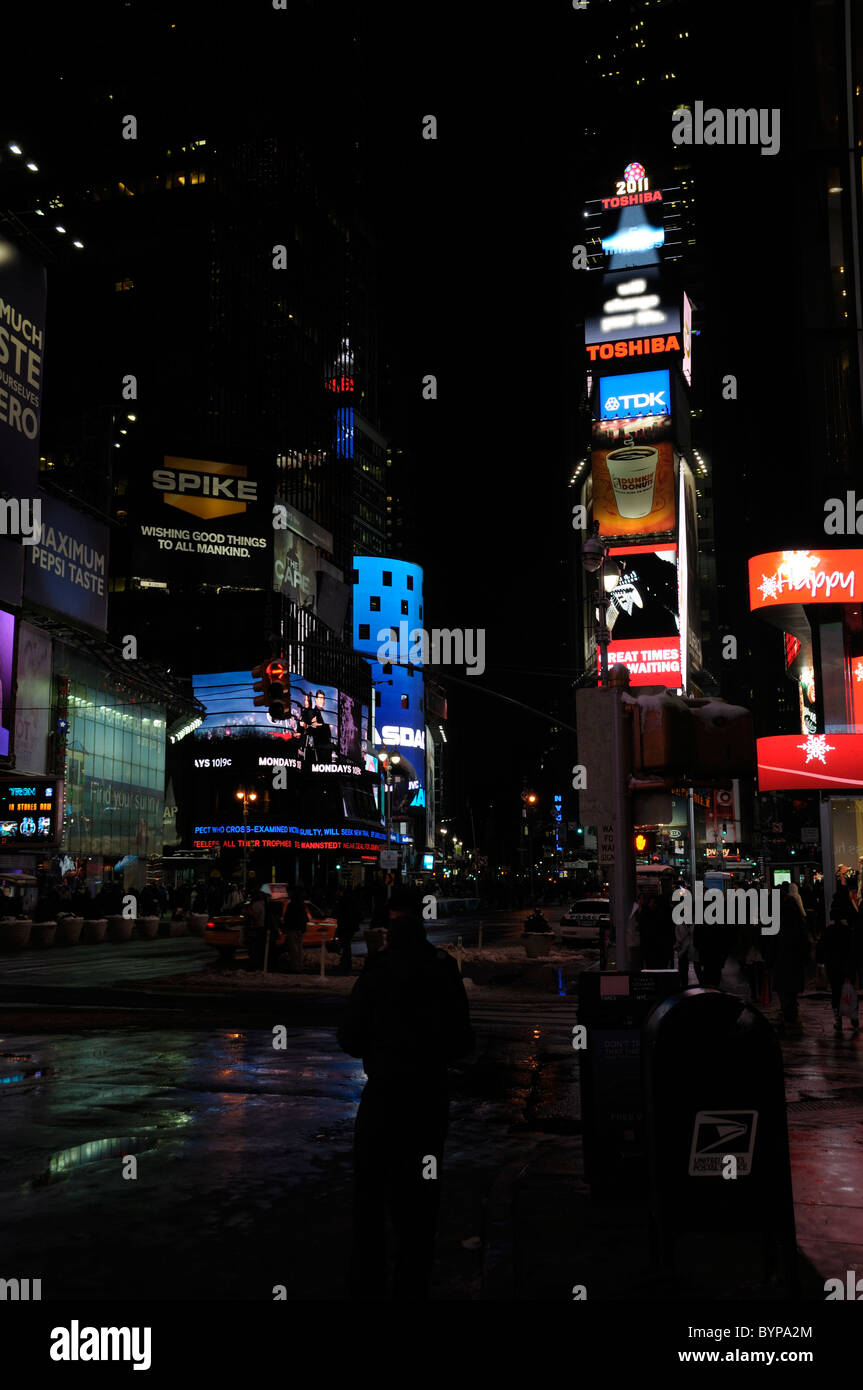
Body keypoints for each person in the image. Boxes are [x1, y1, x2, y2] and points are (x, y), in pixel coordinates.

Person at [337, 886, 475, 1299]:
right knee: (420, 1204)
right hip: (428, 1101)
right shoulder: (442, 968)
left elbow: (350, 1037)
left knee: (370, 1204)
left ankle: (369, 1284)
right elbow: (462, 1041)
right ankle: (412, 1285)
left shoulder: (377, 972)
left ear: (388, 925)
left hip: (382, 1102)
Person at [764, 882, 811, 1037]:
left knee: (784, 990)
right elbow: (804, 939)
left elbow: (769, 940)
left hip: (781, 959)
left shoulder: (775, 916)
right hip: (794, 959)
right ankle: (791, 1013)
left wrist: (769, 958)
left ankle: (789, 1014)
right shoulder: (795, 915)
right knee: (791, 989)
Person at [825, 874, 859, 1032]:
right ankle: (853, 1015)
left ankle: (838, 1018)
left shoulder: (832, 917)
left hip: (833, 961)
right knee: (850, 987)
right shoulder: (850, 917)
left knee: (836, 990)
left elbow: (824, 945)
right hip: (847, 959)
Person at [281, 885, 307, 973]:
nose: (287, 893)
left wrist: (286, 925)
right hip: (299, 928)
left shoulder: (292, 904)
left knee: (294, 949)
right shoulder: (301, 902)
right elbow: (304, 917)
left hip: (293, 928)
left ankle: (295, 966)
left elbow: (290, 918)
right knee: (299, 948)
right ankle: (299, 965)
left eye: (288, 892)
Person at [336, 887, 360, 975]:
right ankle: (346, 963)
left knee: (345, 946)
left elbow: (337, 913)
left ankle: (345, 964)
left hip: (344, 926)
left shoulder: (342, 901)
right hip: (351, 927)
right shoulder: (355, 901)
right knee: (347, 946)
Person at [626, 890, 644, 971]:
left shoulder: (639, 909)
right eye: (641, 899)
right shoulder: (635, 910)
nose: (642, 901)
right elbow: (632, 926)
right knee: (635, 961)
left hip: (636, 940)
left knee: (636, 961)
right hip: (634, 941)